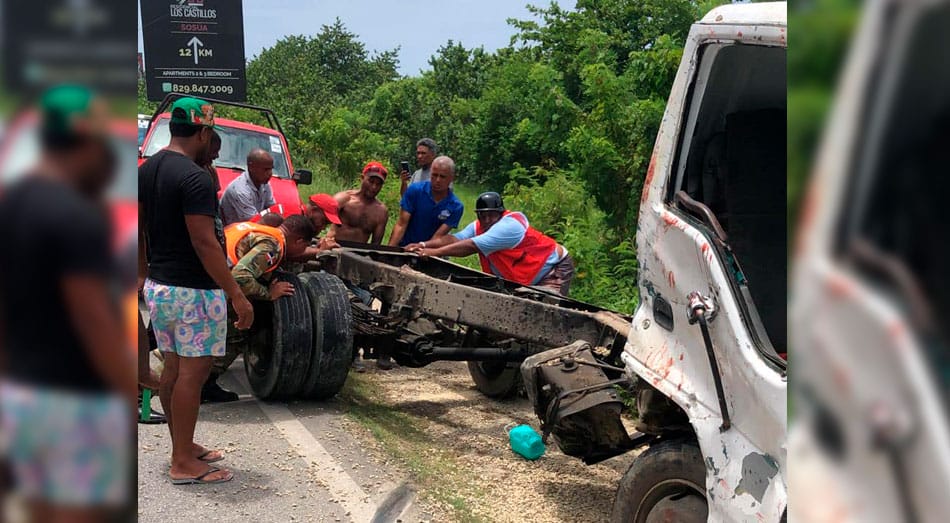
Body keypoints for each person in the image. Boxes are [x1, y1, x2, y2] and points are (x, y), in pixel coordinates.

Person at [0, 85, 135, 521]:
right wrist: (123, 391)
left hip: (21, 391)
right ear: (89, 142)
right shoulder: (73, 216)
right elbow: (93, 322)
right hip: (73, 400)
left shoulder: (12, 202)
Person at [139, 97, 254, 486]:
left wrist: (142, 277)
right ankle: (183, 464)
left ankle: (182, 448)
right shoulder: (195, 177)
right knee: (193, 373)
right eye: (212, 135)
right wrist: (235, 294)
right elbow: (205, 242)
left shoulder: (147, 168)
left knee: (174, 368)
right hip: (193, 291)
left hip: (161, 286)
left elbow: (138, 230)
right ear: (204, 132)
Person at [209, 215, 316, 380]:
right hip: (213, 289)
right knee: (239, 332)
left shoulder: (255, 228)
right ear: (299, 241)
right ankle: (207, 382)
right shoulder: (273, 246)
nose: (303, 252)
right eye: (305, 247)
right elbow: (240, 277)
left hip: (201, 280)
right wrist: (268, 294)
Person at [407, 192, 575, 295]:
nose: (486, 220)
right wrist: (423, 245)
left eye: (491, 215)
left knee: (544, 316)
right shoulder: (480, 226)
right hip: (525, 276)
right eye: (482, 215)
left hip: (553, 270)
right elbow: (455, 238)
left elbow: (471, 246)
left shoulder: (509, 226)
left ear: (500, 213)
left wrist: (432, 253)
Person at [388, 155, 464, 248]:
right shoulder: (415, 191)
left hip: (430, 250)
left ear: (451, 178)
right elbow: (401, 224)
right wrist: (389, 251)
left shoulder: (455, 206)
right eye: (434, 175)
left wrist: (422, 251)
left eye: (442, 177)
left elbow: (438, 236)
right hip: (404, 247)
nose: (437, 180)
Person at [331, 161, 389, 244]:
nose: (374, 187)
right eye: (371, 181)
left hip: (359, 254)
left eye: (378, 184)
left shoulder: (381, 212)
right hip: (335, 248)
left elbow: (376, 244)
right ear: (362, 178)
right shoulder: (343, 199)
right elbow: (322, 221)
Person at [219, 148, 276, 225]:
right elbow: (255, 222)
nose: (270, 173)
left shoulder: (264, 183)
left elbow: (273, 209)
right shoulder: (240, 190)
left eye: (271, 169)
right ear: (251, 167)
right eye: (266, 169)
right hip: (233, 232)